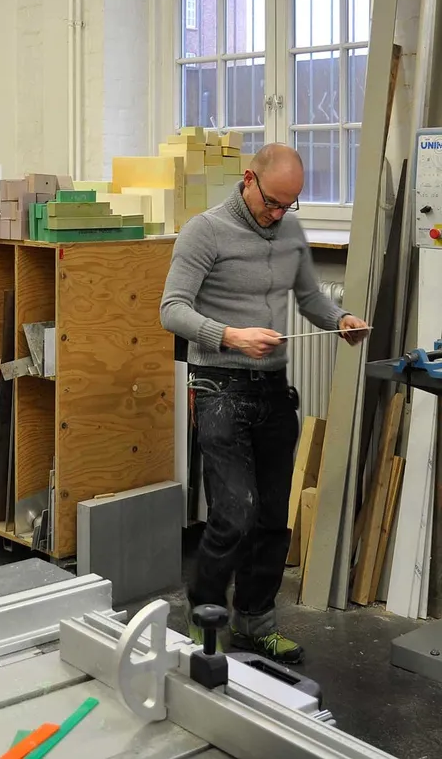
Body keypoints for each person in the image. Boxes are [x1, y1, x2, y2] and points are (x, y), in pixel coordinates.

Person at [160, 144, 369, 664]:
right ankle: (205, 615)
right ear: (248, 180)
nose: (279, 215)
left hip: (274, 391)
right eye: (273, 203)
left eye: (290, 205)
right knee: (235, 512)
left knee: (273, 516)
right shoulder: (203, 231)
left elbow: (310, 299)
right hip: (220, 388)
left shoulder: (289, 230)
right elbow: (172, 311)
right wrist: (229, 336)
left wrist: (339, 320)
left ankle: (256, 621)